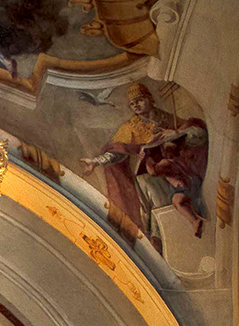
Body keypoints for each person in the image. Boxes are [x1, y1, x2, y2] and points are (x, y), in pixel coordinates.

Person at [82, 82, 208, 243]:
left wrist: (177, 132)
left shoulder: (166, 118)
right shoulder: (129, 128)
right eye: (132, 104)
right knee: (150, 187)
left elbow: (196, 133)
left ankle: (187, 218)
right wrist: (95, 161)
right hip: (150, 173)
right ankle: (157, 235)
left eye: (139, 100)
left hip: (175, 168)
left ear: (149, 99)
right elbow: (116, 151)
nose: (136, 105)